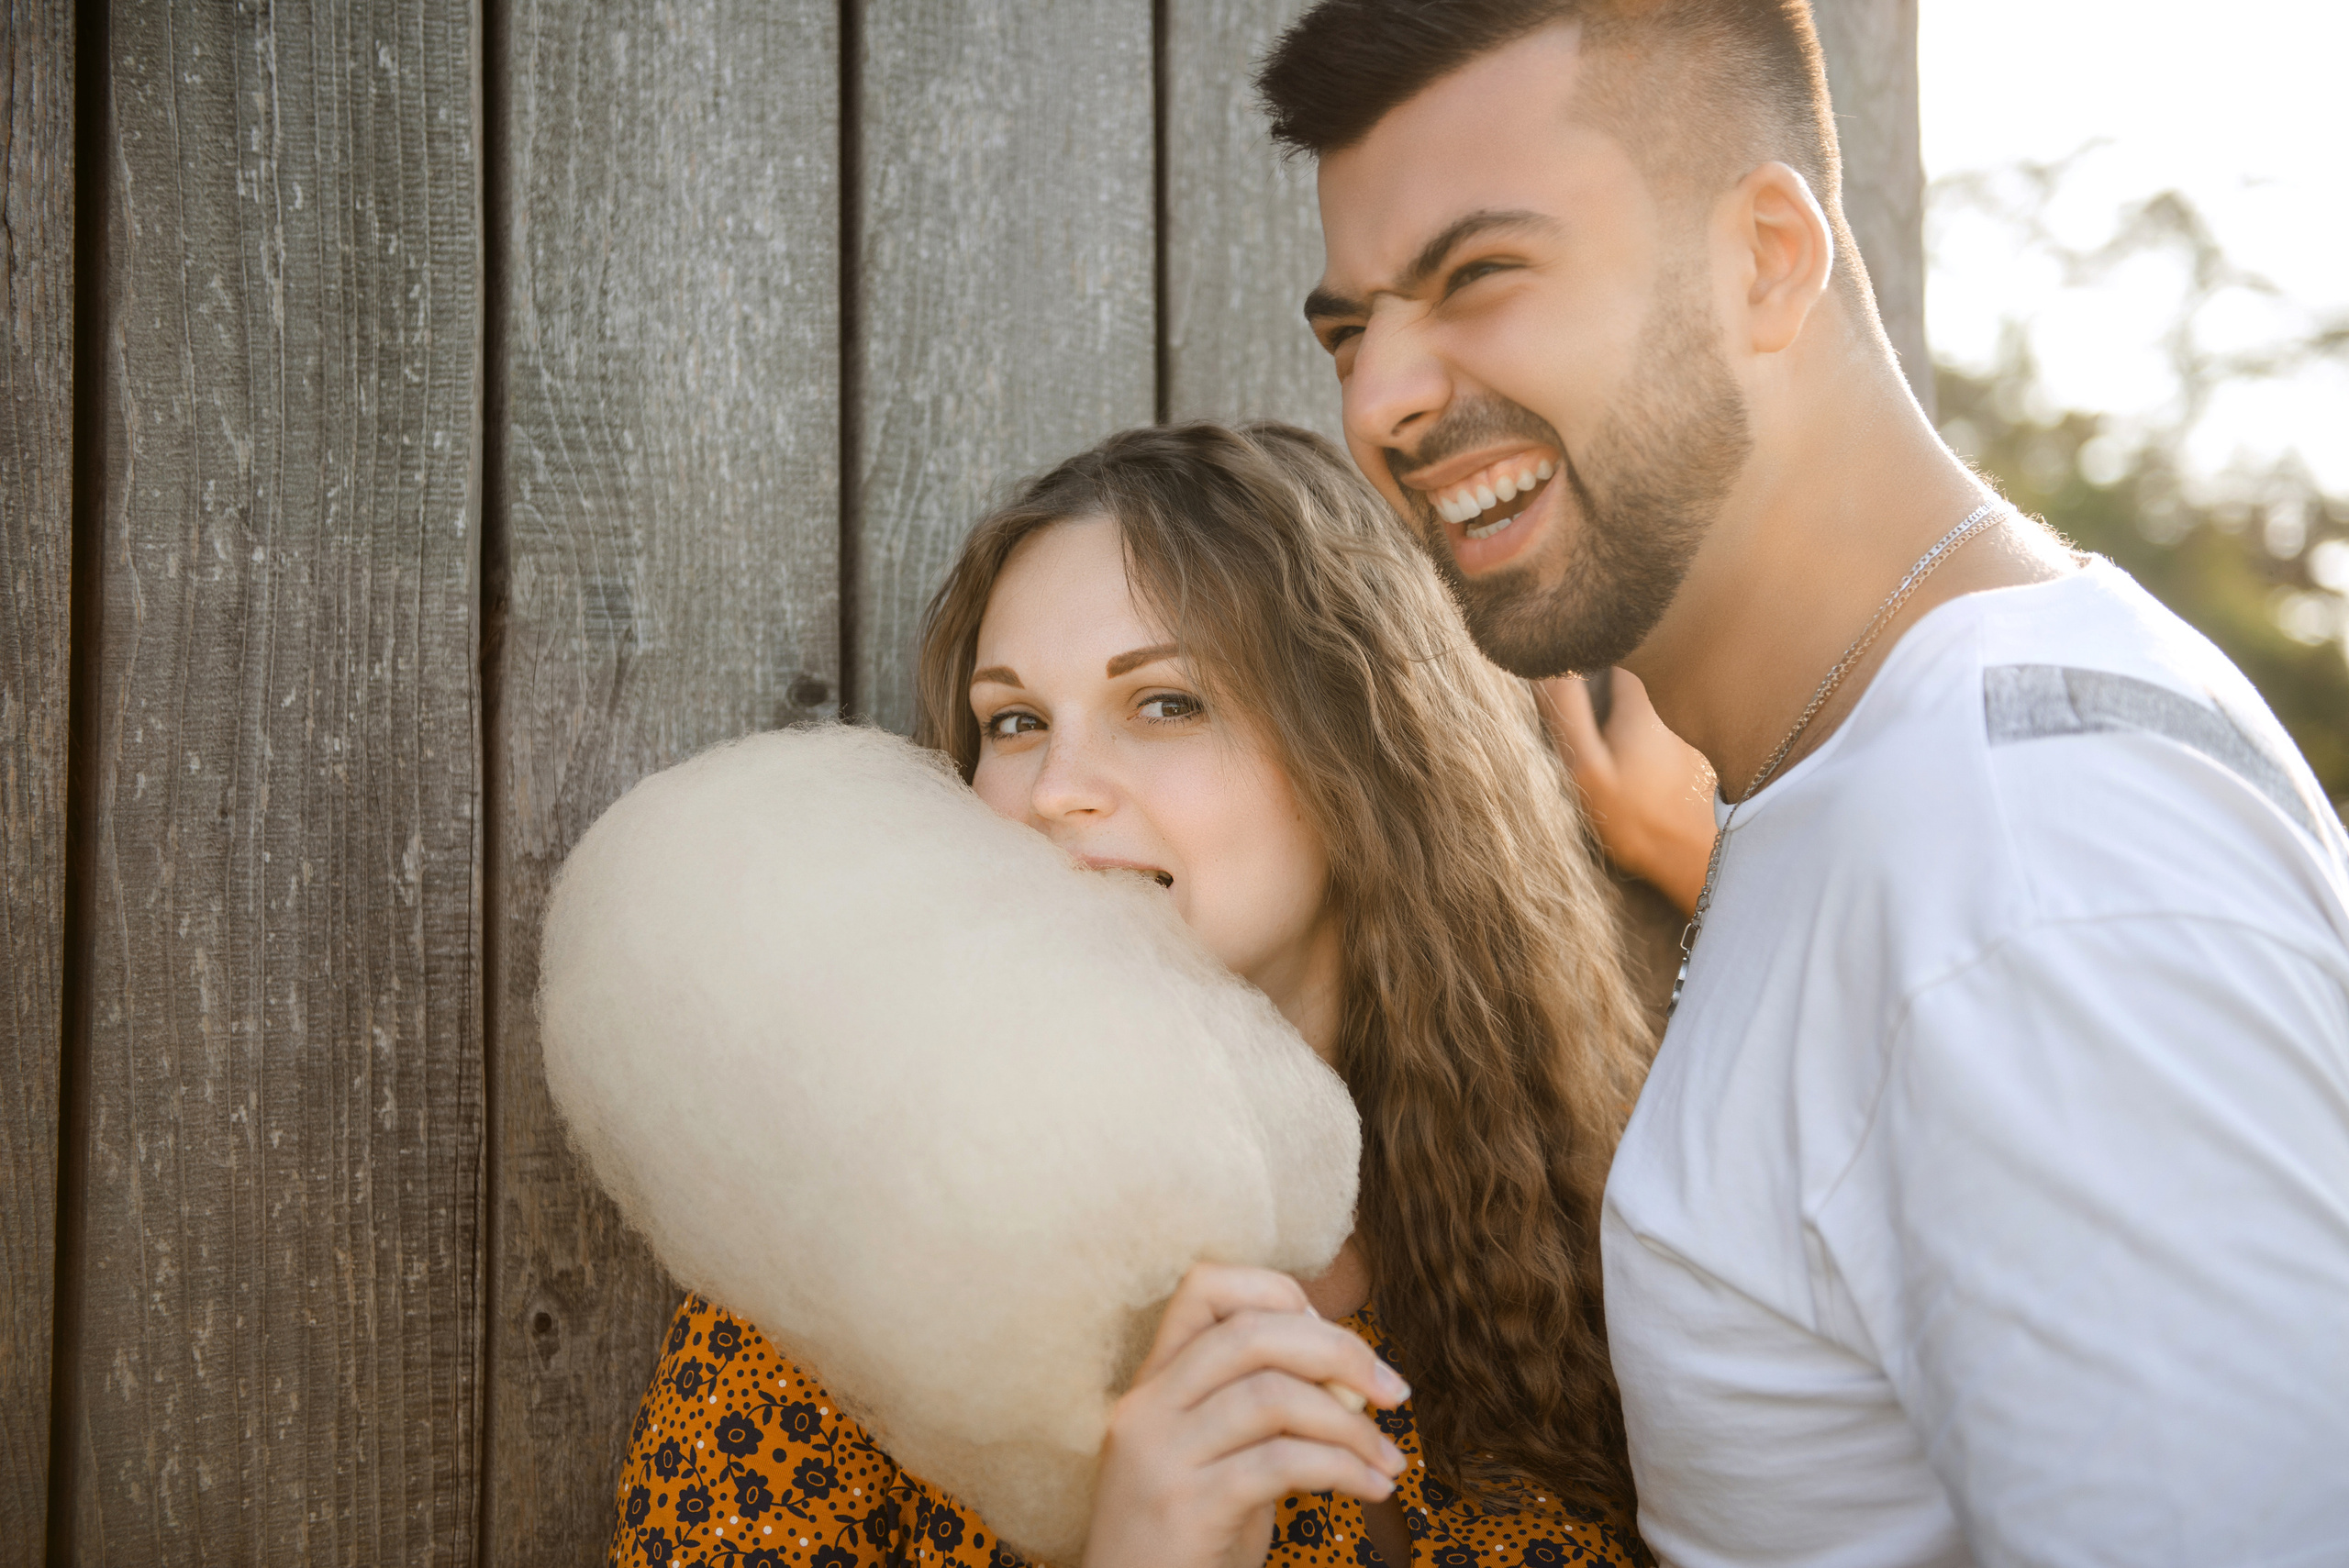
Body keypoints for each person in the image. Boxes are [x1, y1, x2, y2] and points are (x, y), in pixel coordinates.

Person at [1256, 3, 2349, 1564]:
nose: (1381, 400)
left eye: (1478, 276)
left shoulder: (2022, 860)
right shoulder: (1875, 790)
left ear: (1768, 254)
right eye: (1350, 327)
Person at [606, 421, 1671, 1568]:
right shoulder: (821, 1288)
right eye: (1013, 722)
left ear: (1367, 756)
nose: (1056, 788)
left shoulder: (1591, 1232)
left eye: (1165, 701)